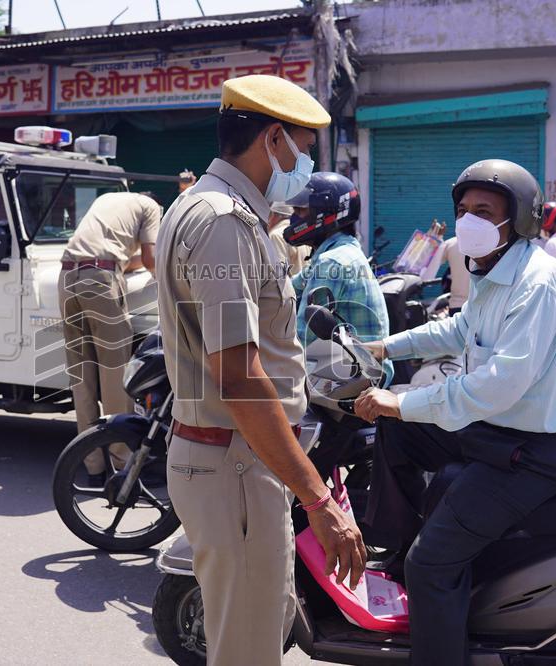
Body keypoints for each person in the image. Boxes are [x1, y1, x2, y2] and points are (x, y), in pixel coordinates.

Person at [155, 75, 366, 666]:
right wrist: (320, 502)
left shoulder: (212, 208)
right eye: (303, 148)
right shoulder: (224, 222)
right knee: (247, 651)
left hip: (239, 459)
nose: (306, 165)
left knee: (253, 635)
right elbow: (242, 380)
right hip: (237, 463)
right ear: (274, 139)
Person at [352, 159, 556, 665]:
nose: (468, 221)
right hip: (495, 432)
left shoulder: (536, 282)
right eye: (463, 210)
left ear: (520, 220)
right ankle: (395, 546)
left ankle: (424, 586)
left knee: (431, 565)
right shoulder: (493, 271)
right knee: (396, 432)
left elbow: (498, 385)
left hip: (532, 454)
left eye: (483, 211)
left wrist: (403, 400)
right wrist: (382, 348)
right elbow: (458, 331)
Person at [58, 191, 160, 438]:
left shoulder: (106, 200)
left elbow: (123, 259)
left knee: (82, 378)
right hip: (100, 280)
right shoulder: (152, 207)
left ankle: (93, 467)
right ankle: (120, 459)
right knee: (114, 374)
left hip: (67, 276)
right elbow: (150, 259)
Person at [285, 171, 393, 382]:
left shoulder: (332, 261)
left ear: (324, 214)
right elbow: (289, 288)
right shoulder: (342, 250)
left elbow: (303, 338)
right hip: (359, 367)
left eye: (301, 210)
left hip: (357, 377)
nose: (294, 218)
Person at [422, 235, 470, 314]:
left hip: (457, 305)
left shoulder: (451, 243)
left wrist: (433, 239)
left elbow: (426, 270)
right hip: (485, 306)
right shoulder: (491, 242)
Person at [266, 202, 310, 275]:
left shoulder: (276, 235)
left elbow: (278, 273)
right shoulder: (301, 232)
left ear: (273, 215)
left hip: (290, 285)